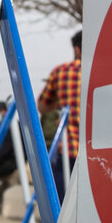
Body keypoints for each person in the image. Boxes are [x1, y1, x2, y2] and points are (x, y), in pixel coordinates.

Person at [37, 29, 82, 202]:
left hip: (68, 148)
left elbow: (42, 105)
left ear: (77, 50)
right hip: (94, 151)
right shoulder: (103, 72)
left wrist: (59, 103)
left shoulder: (62, 72)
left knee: (62, 203)